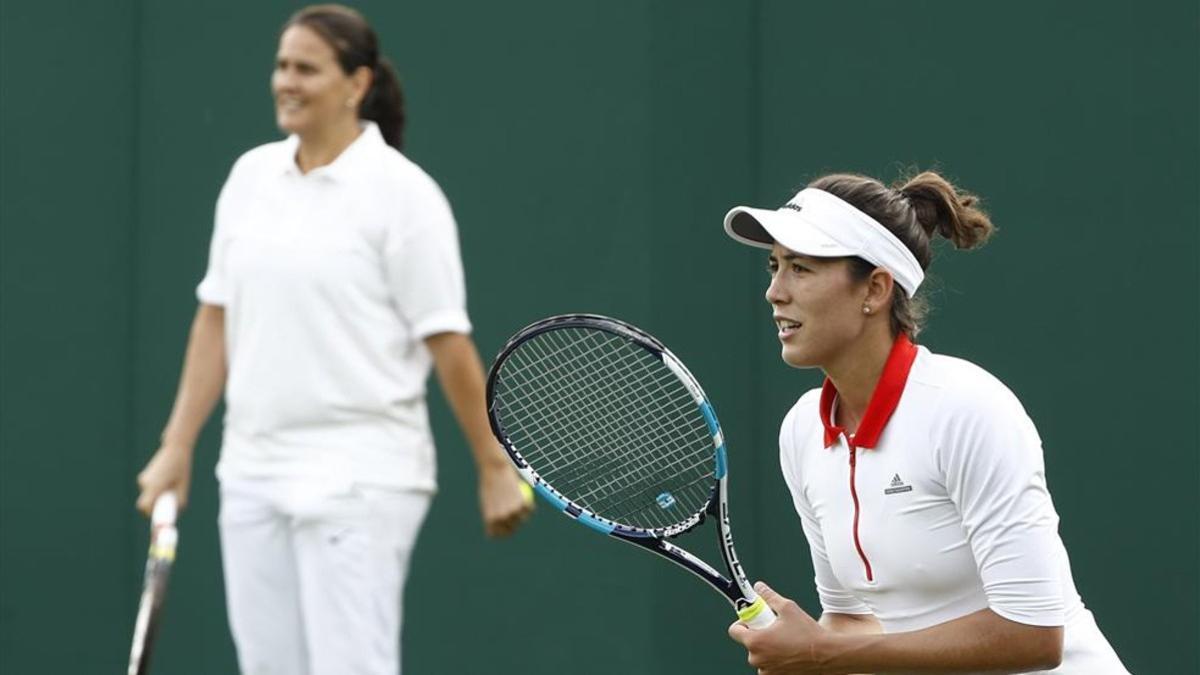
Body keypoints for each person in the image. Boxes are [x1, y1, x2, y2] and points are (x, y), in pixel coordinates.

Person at [133, 5, 532, 674]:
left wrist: (494, 466)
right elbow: (216, 317)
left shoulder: (405, 196)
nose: (285, 81)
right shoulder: (250, 178)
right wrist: (177, 445)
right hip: (252, 468)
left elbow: (448, 342)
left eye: (306, 68)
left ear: (356, 83)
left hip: (362, 474)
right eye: (281, 65)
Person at [722, 171, 1128, 674]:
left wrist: (821, 653)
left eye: (801, 268)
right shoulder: (802, 431)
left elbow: (1036, 635)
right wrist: (810, 653)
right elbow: (852, 622)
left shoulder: (967, 408)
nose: (774, 292)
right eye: (774, 266)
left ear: (874, 288)